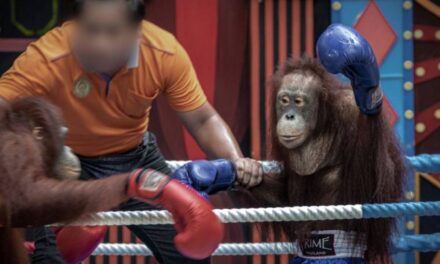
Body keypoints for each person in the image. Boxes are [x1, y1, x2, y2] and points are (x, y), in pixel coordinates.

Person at [0, 0, 263, 263]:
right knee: (44, 257)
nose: (101, 43)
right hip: (66, 165)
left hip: (137, 162)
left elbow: (203, 119)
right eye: (91, 31)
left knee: (189, 255)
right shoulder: (50, 54)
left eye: (113, 32)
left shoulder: (163, 51)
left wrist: (236, 162)